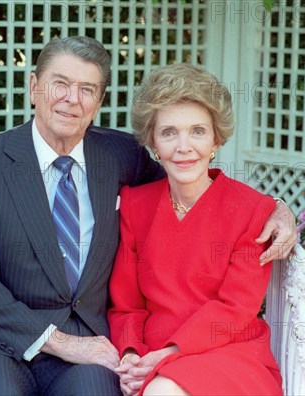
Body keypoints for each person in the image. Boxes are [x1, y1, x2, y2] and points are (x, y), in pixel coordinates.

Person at [0, 36, 293, 395]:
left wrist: (279, 209)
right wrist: (62, 343)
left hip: (91, 343)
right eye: (59, 84)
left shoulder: (122, 155)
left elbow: (194, 183)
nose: (71, 99)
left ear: (99, 102)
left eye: (87, 89)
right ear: (34, 87)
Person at [108, 64, 284, 396]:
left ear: (216, 138)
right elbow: (127, 305)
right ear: (153, 143)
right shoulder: (135, 205)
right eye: (169, 132)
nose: (183, 146)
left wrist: (166, 357)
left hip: (230, 355)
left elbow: (235, 310)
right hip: (152, 354)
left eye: (198, 131)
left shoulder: (252, 210)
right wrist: (131, 355)